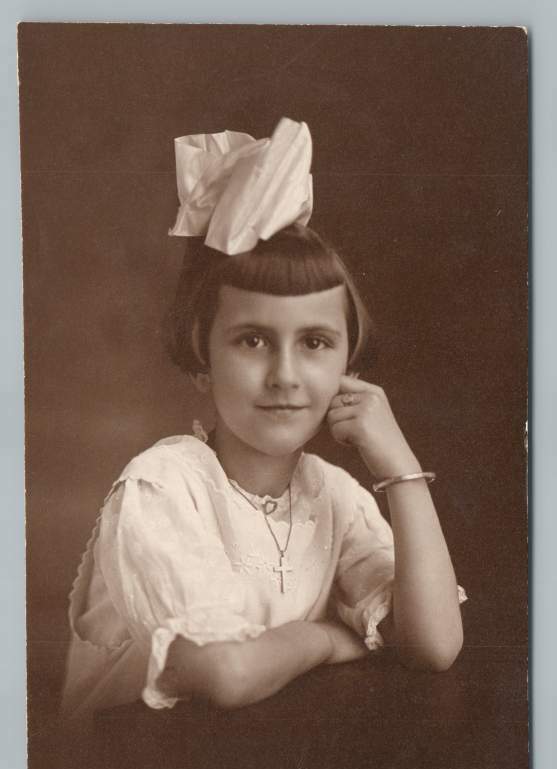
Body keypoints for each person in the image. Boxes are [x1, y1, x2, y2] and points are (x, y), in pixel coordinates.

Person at [61, 118, 466, 719]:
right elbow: (228, 672)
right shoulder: (163, 484)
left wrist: (399, 468)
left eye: (316, 344)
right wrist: (329, 637)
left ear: (346, 368)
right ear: (202, 363)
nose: (285, 375)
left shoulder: (332, 495)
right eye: (252, 341)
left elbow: (435, 645)